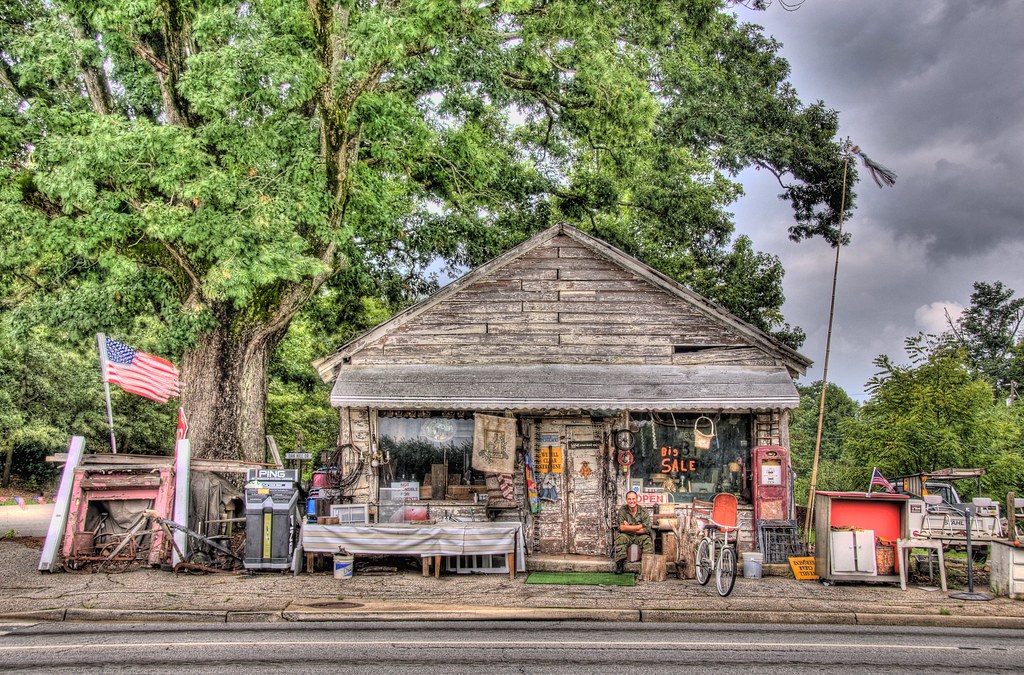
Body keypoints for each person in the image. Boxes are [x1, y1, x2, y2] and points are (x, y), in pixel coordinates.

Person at [613, 490, 653, 574]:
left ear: (637, 499)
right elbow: (622, 528)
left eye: (633, 499)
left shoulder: (643, 511)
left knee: (647, 540)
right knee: (621, 538)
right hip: (627, 536)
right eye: (629, 499)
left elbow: (646, 529)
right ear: (626, 500)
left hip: (640, 536)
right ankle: (620, 565)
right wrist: (639, 526)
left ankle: (647, 566)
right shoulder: (623, 510)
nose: (632, 501)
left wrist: (629, 527)